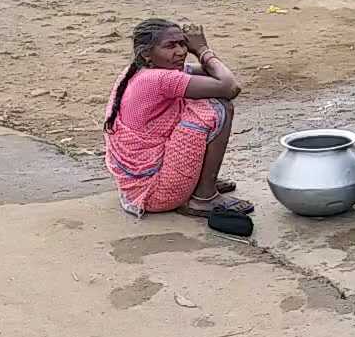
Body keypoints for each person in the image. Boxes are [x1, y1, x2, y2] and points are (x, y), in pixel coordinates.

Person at [103, 19, 253, 217]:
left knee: (201, 101)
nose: (181, 51)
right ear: (147, 54)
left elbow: (215, 74)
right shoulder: (158, 78)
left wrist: (199, 52)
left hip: (139, 185)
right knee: (219, 107)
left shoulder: (142, 70)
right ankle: (204, 197)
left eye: (183, 44)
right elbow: (230, 87)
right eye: (170, 46)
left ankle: (199, 182)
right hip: (156, 193)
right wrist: (202, 50)